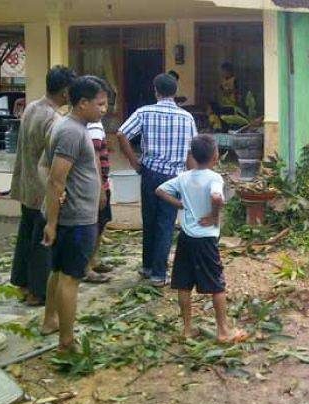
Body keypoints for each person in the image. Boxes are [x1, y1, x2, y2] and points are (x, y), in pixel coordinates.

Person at [40, 76, 109, 354]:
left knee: (58, 271)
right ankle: (66, 343)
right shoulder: (71, 131)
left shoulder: (74, 126)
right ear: (82, 103)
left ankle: (50, 321)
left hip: (76, 212)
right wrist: (52, 223)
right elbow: (56, 178)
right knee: (71, 277)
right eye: (100, 104)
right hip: (75, 218)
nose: (104, 109)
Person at [156, 134, 244, 343]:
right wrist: (214, 216)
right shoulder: (214, 178)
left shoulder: (184, 177)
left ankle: (187, 329)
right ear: (215, 156)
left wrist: (179, 204)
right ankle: (223, 331)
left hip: (186, 237)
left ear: (193, 156)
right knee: (216, 285)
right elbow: (216, 197)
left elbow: (159, 190)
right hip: (205, 240)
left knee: (184, 284)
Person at [117, 73, 198, 287]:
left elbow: (121, 134)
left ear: (155, 91)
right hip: (174, 177)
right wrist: (194, 179)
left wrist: (134, 162)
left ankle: (147, 266)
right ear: (175, 92)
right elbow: (192, 151)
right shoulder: (187, 118)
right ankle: (158, 274)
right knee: (165, 224)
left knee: (149, 220)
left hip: (150, 173)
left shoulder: (144, 112)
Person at [10, 66, 76, 306]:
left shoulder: (31, 107)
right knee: (43, 242)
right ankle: (37, 293)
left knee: (26, 235)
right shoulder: (55, 120)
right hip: (42, 189)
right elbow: (51, 163)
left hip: (26, 185)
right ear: (66, 92)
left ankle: (22, 281)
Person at [84, 91, 114, 283]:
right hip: (97, 184)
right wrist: (101, 188)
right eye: (100, 104)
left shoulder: (97, 122)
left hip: (102, 182)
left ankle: (93, 260)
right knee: (94, 225)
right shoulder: (93, 125)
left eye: (106, 104)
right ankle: (86, 266)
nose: (104, 109)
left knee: (101, 223)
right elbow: (94, 156)